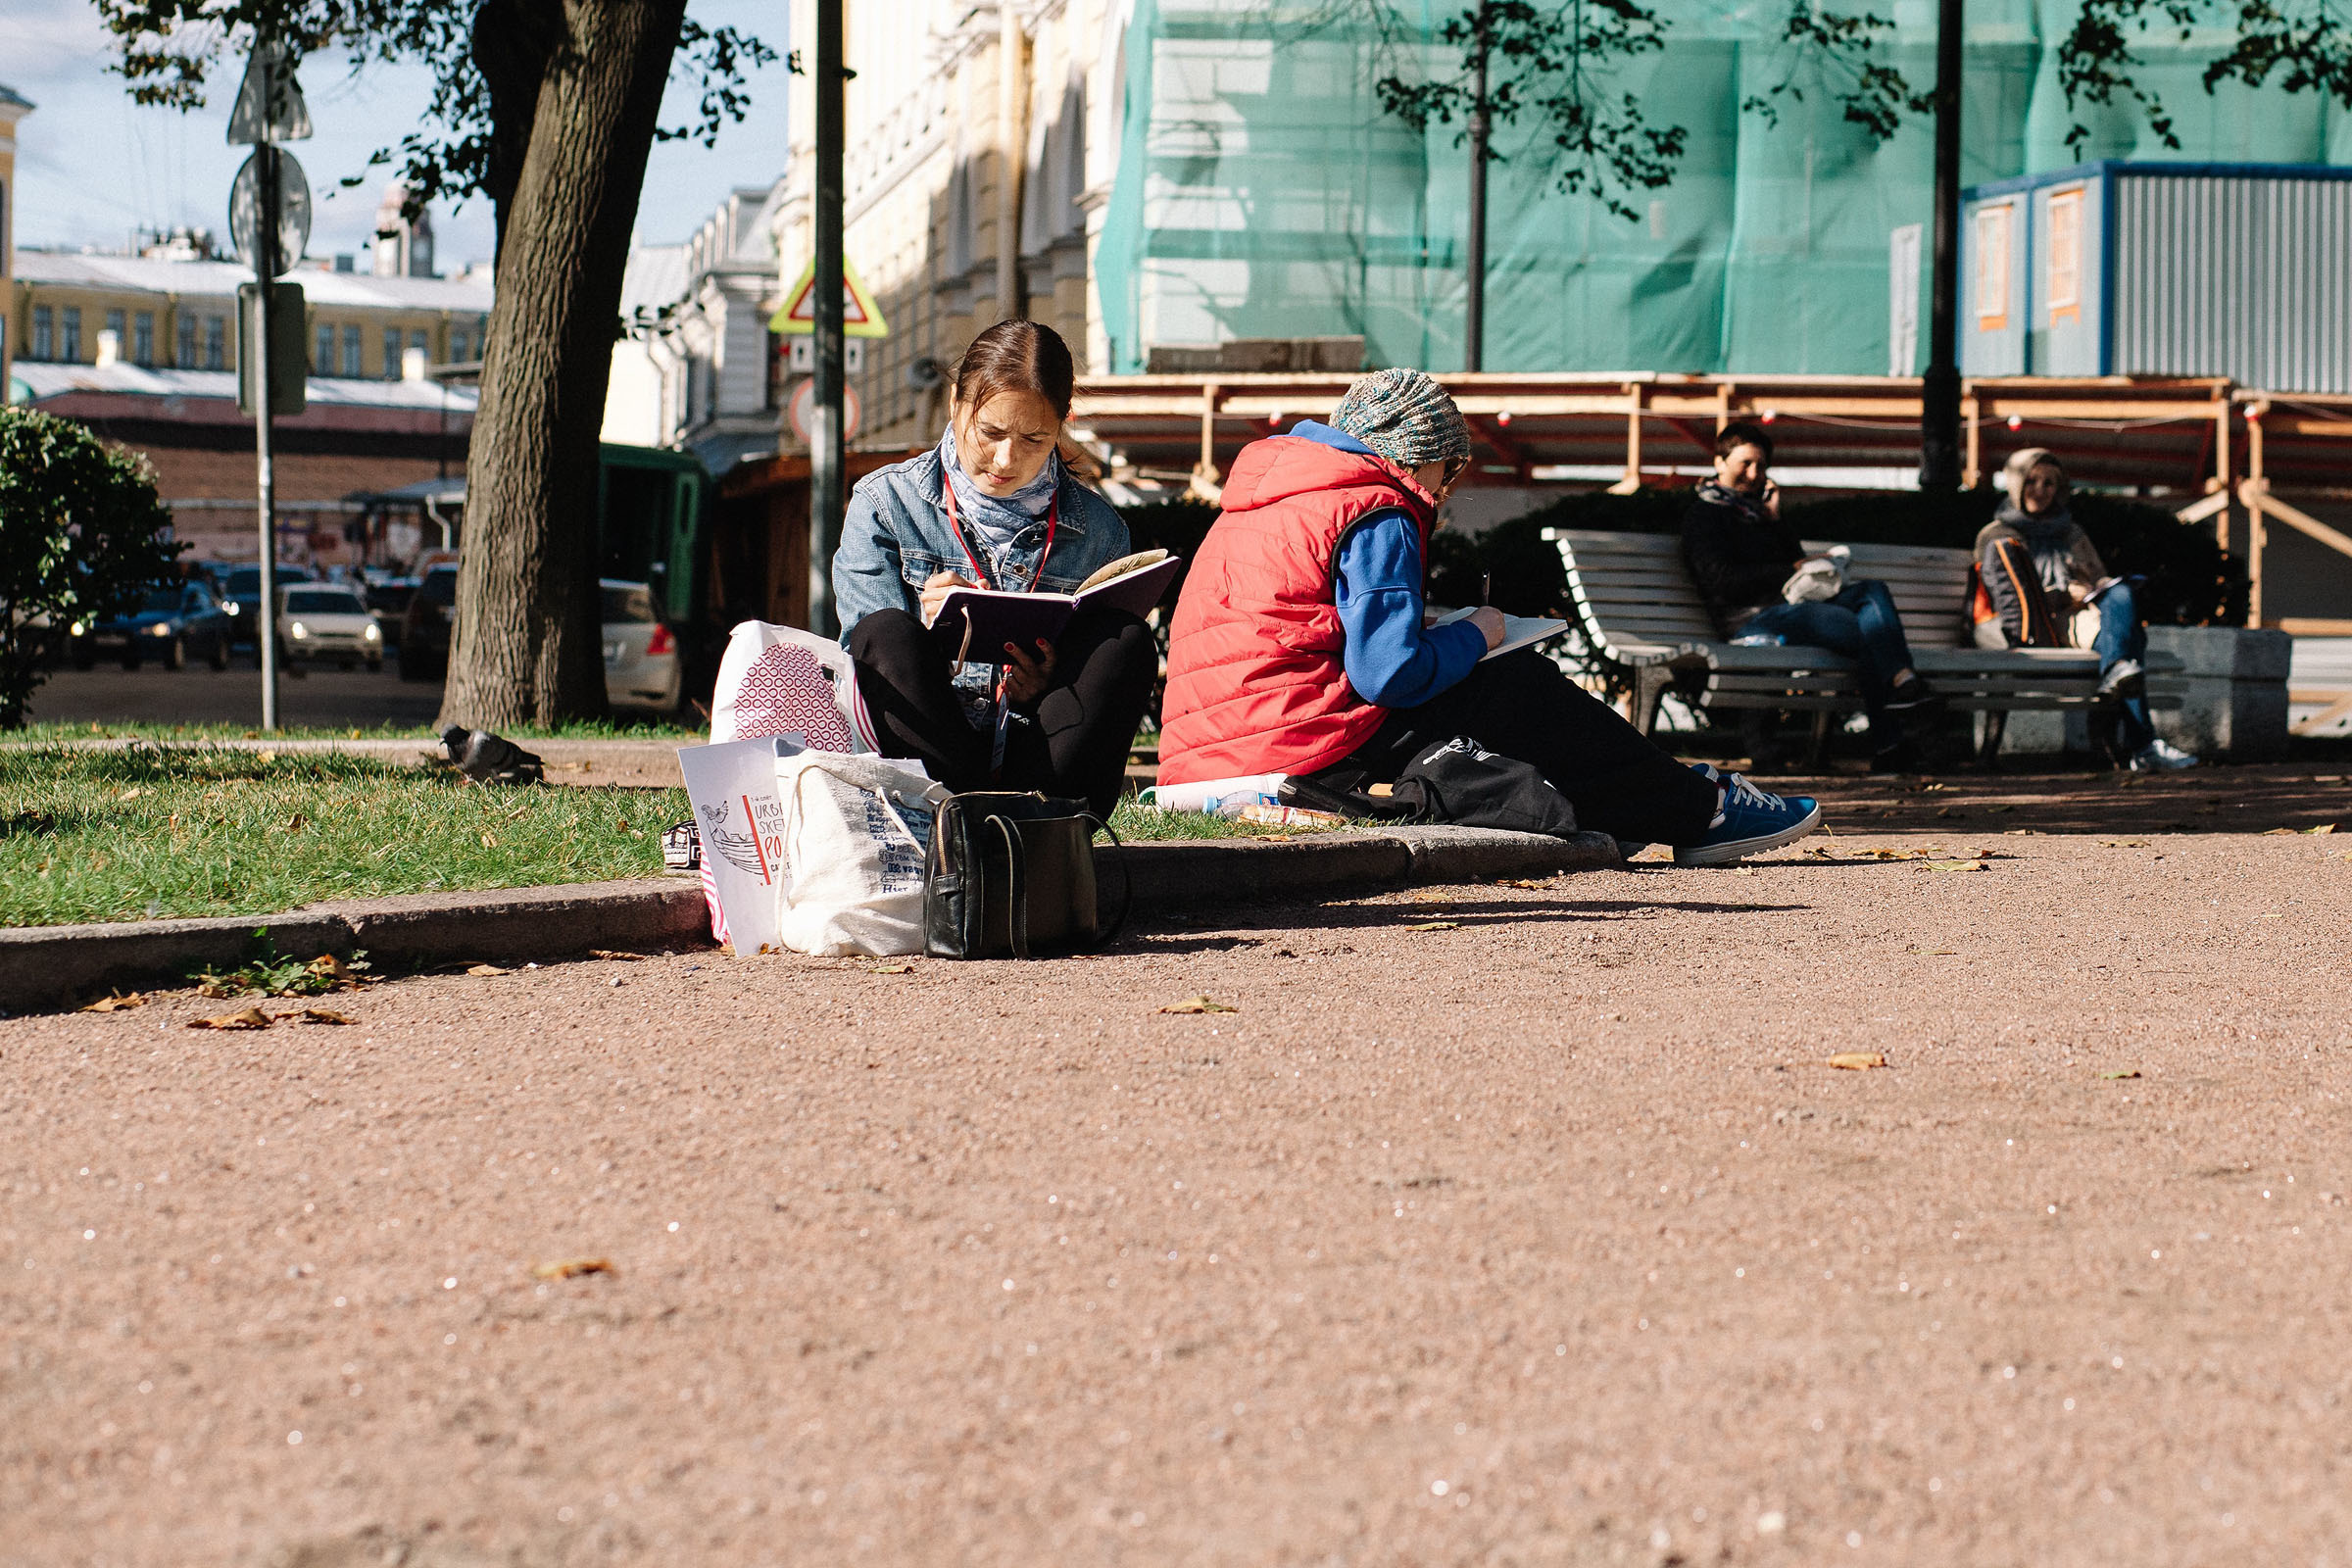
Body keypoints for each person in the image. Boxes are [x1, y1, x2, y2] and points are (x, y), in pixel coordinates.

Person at [1158, 368, 1821, 865]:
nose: (1443, 494)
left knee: (1480, 687)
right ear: (1415, 455)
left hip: (1207, 759)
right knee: (1513, 683)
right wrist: (1478, 633)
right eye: (1446, 473)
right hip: (1295, 744)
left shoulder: (1268, 498)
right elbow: (1386, 674)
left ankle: (1645, 804)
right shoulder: (1376, 504)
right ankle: (1702, 811)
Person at [832, 319, 1157, 815]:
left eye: (1034, 439)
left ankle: (1036, 827)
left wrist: (1047, 684)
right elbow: (865, 658)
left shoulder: (1100, 531)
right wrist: (929, 633)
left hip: (1038, 756)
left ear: (1063, 422)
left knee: (1126, 641)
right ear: (956, 406)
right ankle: (960, 824)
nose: (1006, 459)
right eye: (991, 432)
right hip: (928, 763)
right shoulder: (884, 502)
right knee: (887, 632)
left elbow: (1093, 685)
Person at [1681, 420, 1940, 772]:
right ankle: (1894, 727)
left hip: (1791, 607)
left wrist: (1775, 521)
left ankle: (1902, 688)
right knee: (1866, 631)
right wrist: (1791, 569)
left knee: (1871, 593)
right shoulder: (1705, 515)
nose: (1755, 473)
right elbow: (1723, 581)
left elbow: (1794, 561)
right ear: (1719, 463)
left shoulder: (1761, 514)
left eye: (1761, 465)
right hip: (1748, 618)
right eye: (1746, 463)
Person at [1977, 448, 2197, 771]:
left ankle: (2117, 672)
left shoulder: (2072, 532)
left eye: (2050, 483)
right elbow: (2002, 597)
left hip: (2078, 617)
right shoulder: (1995, 535)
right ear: (2015, 484)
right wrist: (2066, 594)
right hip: (2035, 624)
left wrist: (2094, 587)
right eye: (2032, 481)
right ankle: (2143, 745)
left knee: (2121, 594)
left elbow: (2099, 576)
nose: (2040, 490)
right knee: (2128, 644)